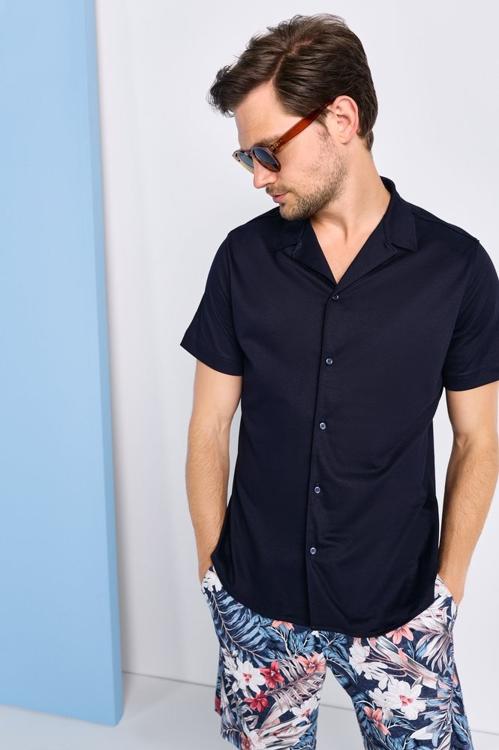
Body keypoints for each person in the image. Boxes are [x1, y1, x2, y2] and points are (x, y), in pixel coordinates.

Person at [180, 13, 499, 749]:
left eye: (268, 151)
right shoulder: (241, 259)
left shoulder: (456, 268)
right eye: (246, 157)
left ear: (341, 120)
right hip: (255, 602)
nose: (258, 176)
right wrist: (213, 576)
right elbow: (208, 426)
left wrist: (446, 592)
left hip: (399, 611)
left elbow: (478, 438)